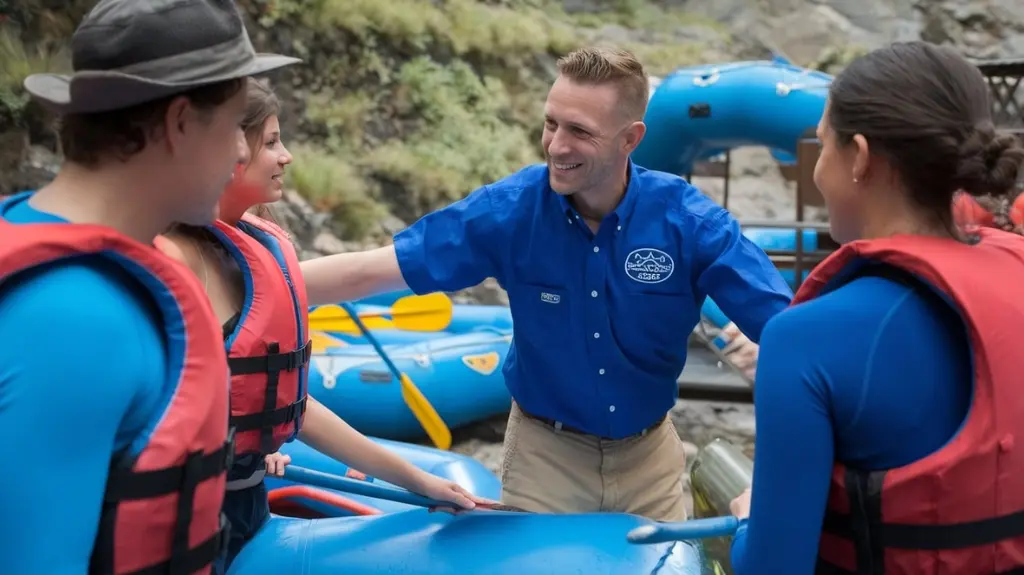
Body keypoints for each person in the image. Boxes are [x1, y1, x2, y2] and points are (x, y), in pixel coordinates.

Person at [296, 46, 794, 521]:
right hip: (543, 458)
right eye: (551, 123)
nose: (556, 145)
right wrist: (247, 286)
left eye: (579, 130)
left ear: (630, 139)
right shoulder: (508, 212)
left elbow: (794, 331)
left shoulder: (690, 222)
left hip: (650, 461)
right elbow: (372, 269)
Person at [0, 1, 301, 574]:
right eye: (236, 125)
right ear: (180, 121)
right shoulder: (75, 320)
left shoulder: (83, 271)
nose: (242, 152)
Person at [156, 77, 494, 573]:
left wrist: (416, 479)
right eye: (271, 142)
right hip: (186, 521)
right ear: (227, 150)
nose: (286, 156)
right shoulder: (175, 260)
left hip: (246, 508)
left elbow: (288, 406)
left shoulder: (253, 251)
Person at [727, 41, 1024, 574]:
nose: (817, 169)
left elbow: (773, 569)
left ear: (859, 157)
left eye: (821, 146)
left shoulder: (802, 339)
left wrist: (752, 520)